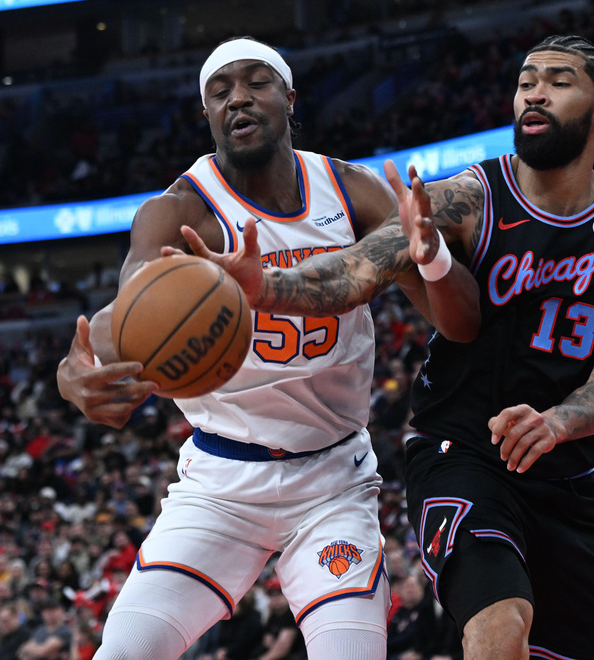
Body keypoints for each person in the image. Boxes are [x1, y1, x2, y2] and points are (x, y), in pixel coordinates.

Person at [196, 35, 594, 659]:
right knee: (500, 625)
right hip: (462, 450)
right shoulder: (470, 199)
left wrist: (558, 421)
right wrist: (265, 285)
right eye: (526, 80)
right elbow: (352, 273)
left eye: (559, 81)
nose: (534, 92)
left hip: (568, 471)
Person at [55, 37, 481, 660]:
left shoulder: (353, 192)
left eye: (256, 82)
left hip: (333, 480)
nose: (238, 98)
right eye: (219, 91)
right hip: (220, 483)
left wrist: (432, 256)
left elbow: (461, 322)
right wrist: (75, 373)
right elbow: (120, 325)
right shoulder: (177, 213)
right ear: (206, 114)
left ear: (289, 97)